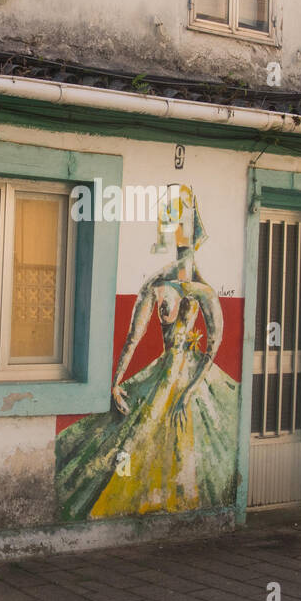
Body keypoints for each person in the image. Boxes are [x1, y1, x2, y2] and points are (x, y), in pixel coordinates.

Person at [56, 185, 237, 519]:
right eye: (172, 220)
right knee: (137, 444)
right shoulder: (157, 285)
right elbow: (132, 338)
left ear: (194, 228)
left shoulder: (204, 290)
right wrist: (115, 382)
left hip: (190, 378)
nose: (179, 232)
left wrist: (191, 388)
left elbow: (214, 345)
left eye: (183, 220)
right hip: (165, 375)